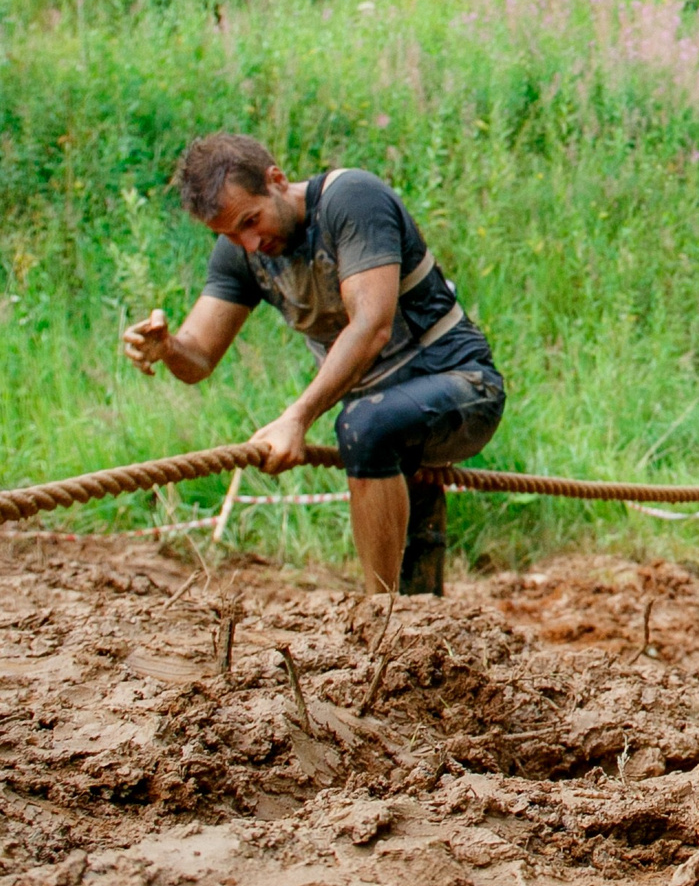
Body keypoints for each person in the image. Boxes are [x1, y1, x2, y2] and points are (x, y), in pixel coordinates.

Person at [120, 135, 504, 597]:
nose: (249, 243)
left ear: (276, 180)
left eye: (250, 221)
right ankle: (418, 632)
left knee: (365, 423)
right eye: (229, 235)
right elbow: (198, 357)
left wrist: (296, 418)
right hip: (391, 426)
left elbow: (371, 325)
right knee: (379, 439)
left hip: (464, 386)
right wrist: (168, 349)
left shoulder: (353, 200)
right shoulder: (242, 251)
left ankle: (380, 619)